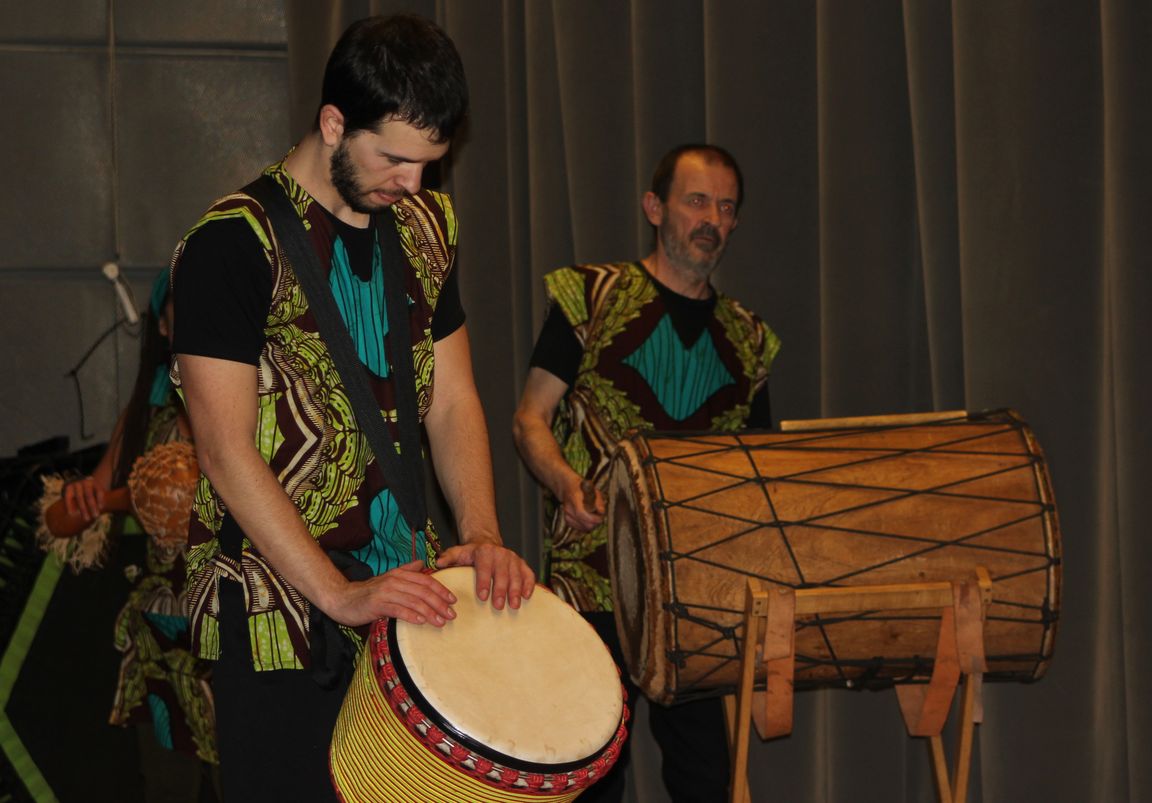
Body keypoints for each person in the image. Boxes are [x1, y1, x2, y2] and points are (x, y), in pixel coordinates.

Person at [169, 14, 535, 803]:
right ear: (334, 122)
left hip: (403, 594)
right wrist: (336, 592)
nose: (413, 183)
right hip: (275, 608)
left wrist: (480, 535)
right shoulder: (229, 243)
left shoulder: (428, 226)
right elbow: (224, 451)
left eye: (430, 163)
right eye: (395, 158)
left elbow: (453, 397)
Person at [513, 144, 780, 801]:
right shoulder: (589, 298)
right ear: (655, 207)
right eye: (697, 200)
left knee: (706, 777)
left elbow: (763, 468)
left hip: (697, 590)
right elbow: (529, 420)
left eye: (726, 206)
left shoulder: (748, 339)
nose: (711, 218)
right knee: (595, 771)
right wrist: (562, 482)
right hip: (594, 576)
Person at [39, 269, 219, 801]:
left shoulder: (255, 412)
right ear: (163, 327)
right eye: (185, 312)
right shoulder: (144, 417)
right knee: (168, 787)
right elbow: (61, 523)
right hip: (161, 643)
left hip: (240, 637)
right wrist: (82, 502)